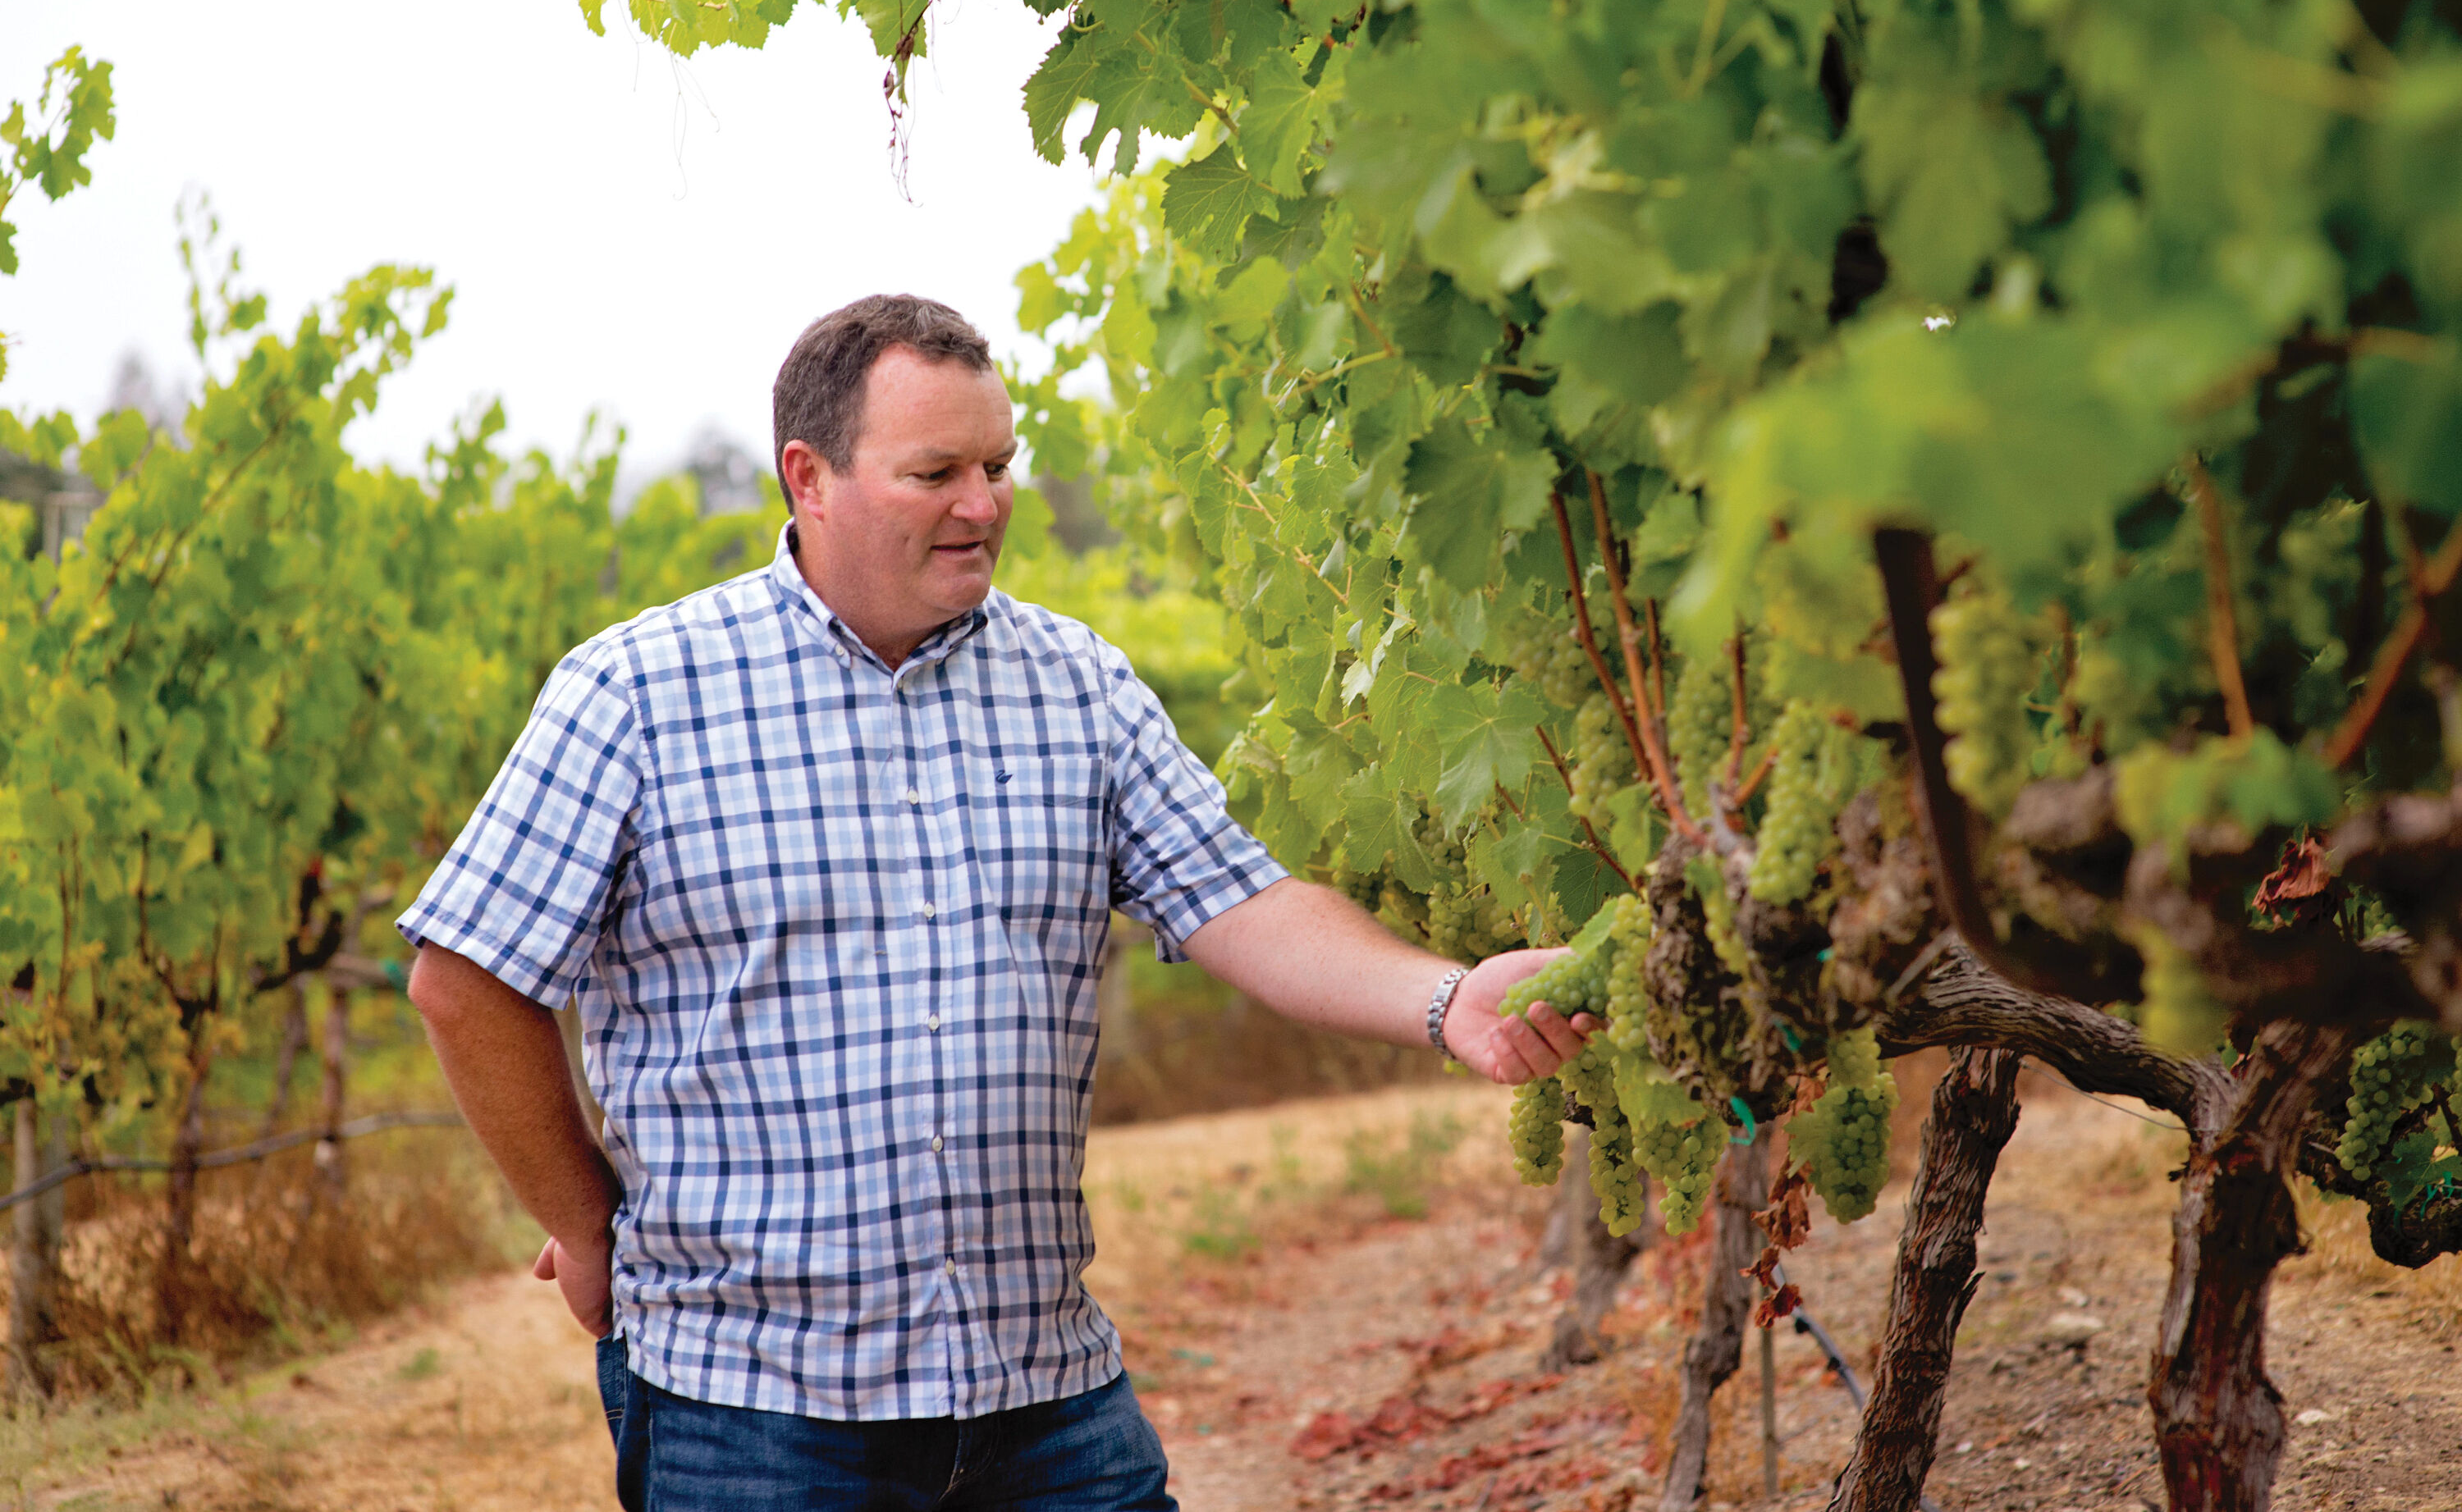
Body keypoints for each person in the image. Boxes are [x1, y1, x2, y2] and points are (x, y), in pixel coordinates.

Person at [401, 295, 1596, 1510]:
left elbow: (1242, 901)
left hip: (1042, 1396)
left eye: (998, 465)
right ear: (809, 477)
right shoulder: (636, 693)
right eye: (938, 472)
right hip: (750, 1415)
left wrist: (1445, 999)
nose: (984, 504)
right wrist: (588, 1222)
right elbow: (465, 978)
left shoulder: (1077, 681)